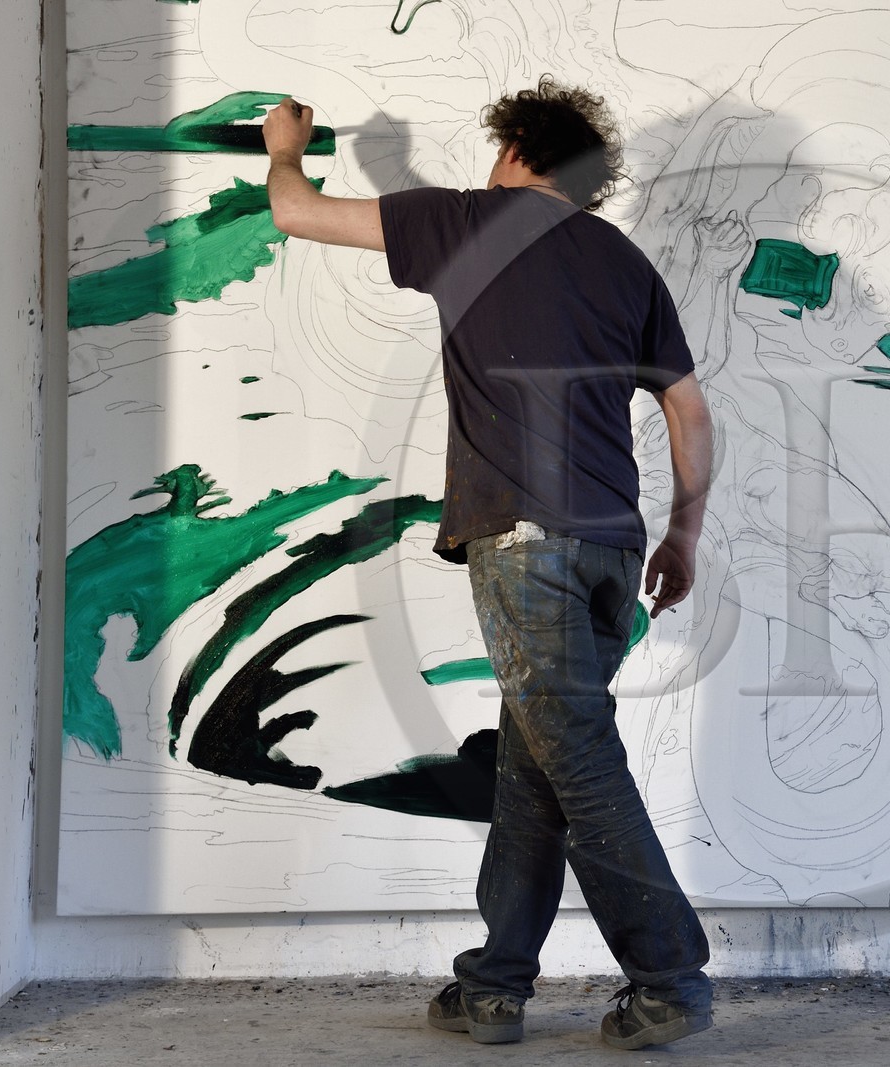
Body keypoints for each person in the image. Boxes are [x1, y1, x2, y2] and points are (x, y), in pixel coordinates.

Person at [261, 78, 716, 1051]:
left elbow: (295, 212)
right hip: (612, 549)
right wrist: (682, 533)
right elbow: (689, 411)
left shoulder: (466, 222)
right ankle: (494, 985)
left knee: (576, 761)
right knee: (533, 767)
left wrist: (286, 144)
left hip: (524, 542)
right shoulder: (624, 263)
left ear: (513, 148)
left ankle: (670, 976)